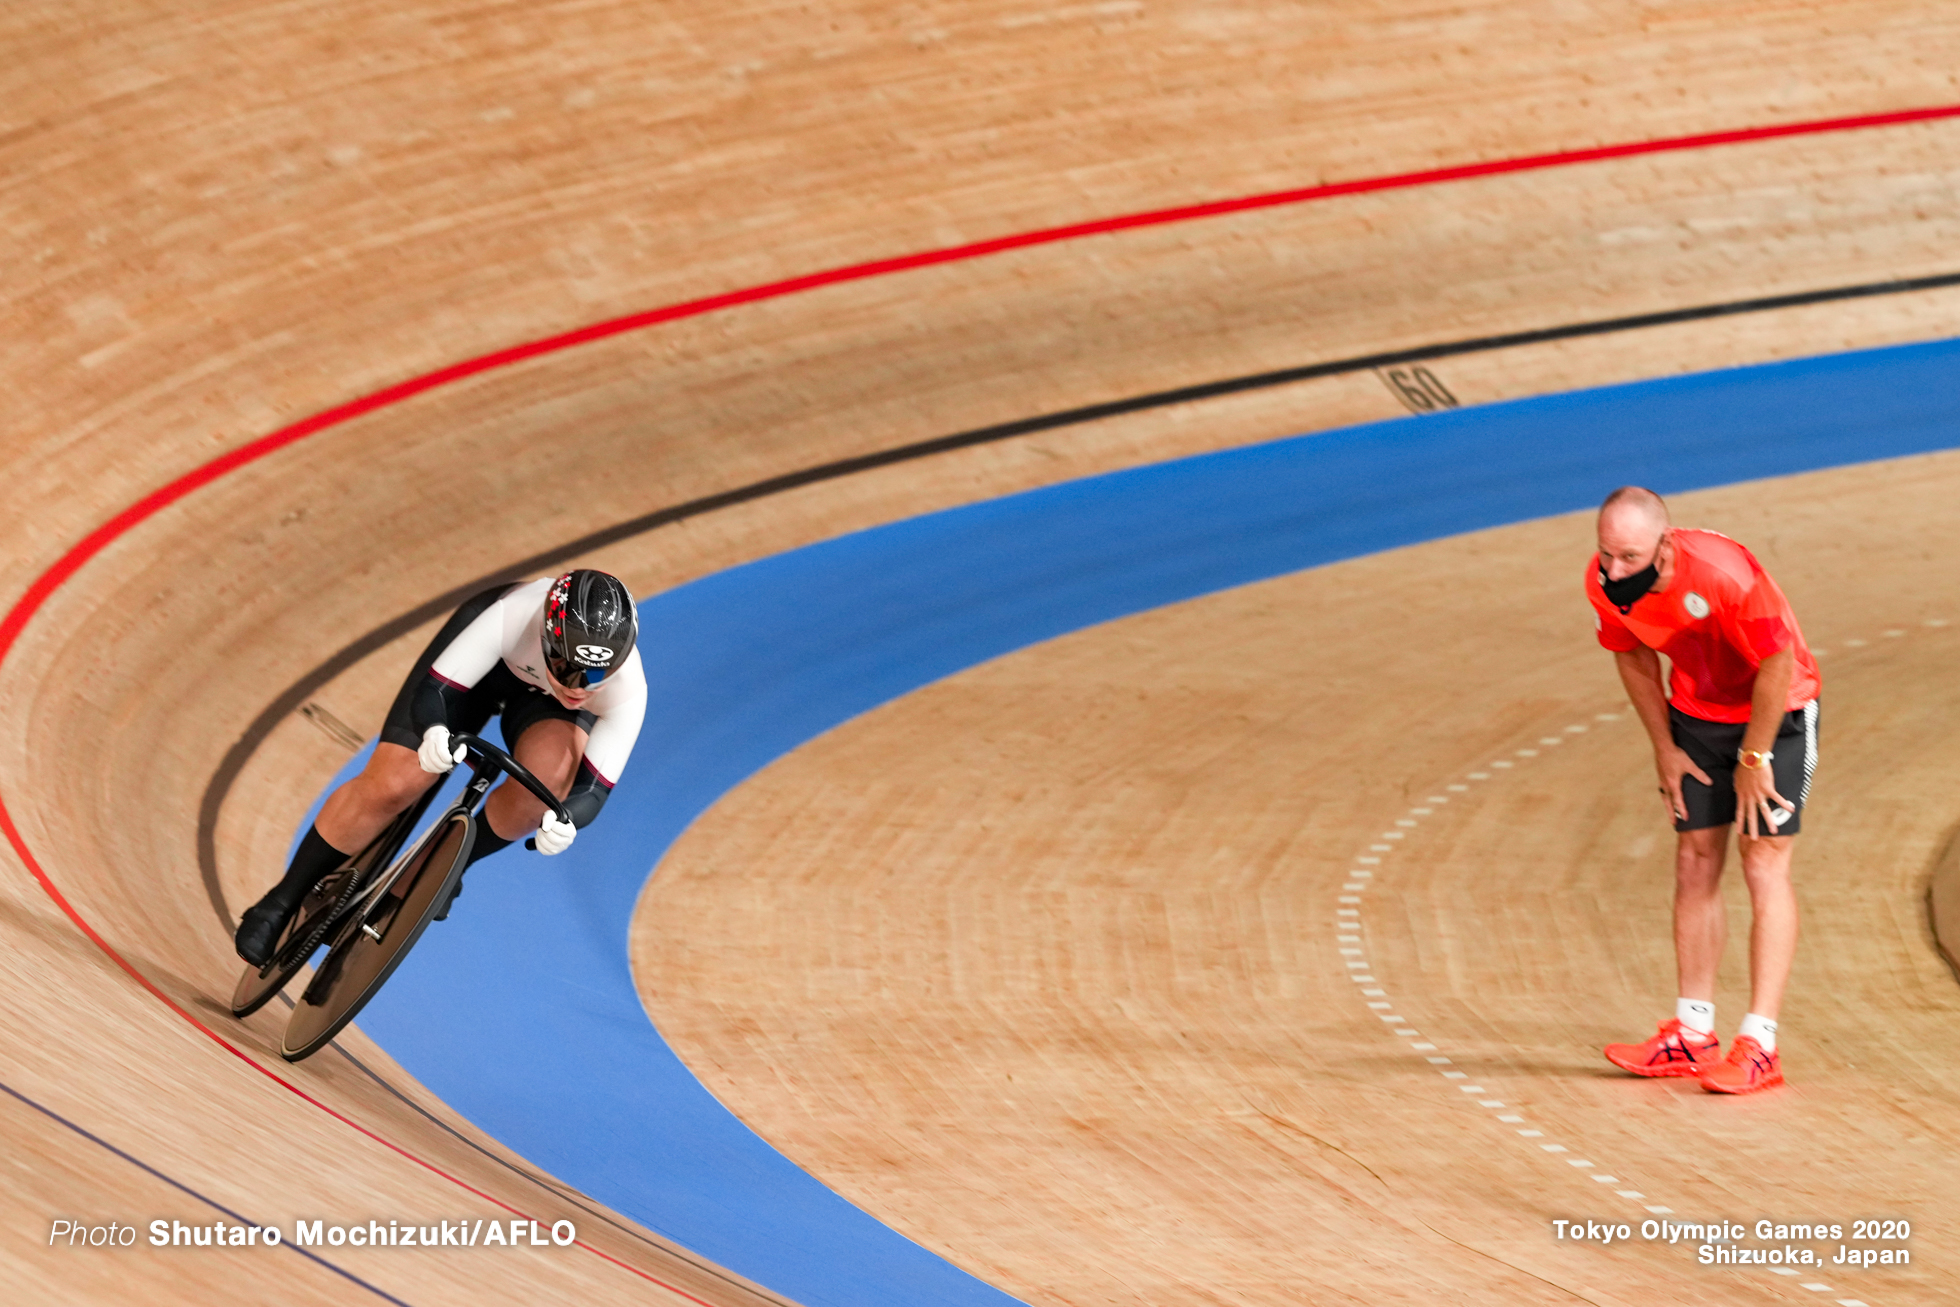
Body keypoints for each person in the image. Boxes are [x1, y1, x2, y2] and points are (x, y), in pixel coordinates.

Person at [234, 569, 647, 966]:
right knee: (395, 782)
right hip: (479, 674)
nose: (579, 687)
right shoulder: (513, 614)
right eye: (569, 669)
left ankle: (442, 868)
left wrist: (567, 821)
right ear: (544, 636)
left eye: (597, 674)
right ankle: (280, 900)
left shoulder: (627, 687)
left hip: (541, 708)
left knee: (545, 789)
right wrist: (433, 731)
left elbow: (592, 791)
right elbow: (436, 690)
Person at [1587, 487, 1819, 1094]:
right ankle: (1692, 1034)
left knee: (1762, 860)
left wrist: (1754, 757)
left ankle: (1761, 1044)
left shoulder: (1725, 575)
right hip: (1697, 715)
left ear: (1665, 545)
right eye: (1606, 554)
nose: (1614, 570)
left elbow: (1778, 662)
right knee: (1694, 861)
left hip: (1779, 712)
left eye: (1629, 557)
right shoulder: (1605, 582)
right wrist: (1664, 747)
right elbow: (1631, 654)